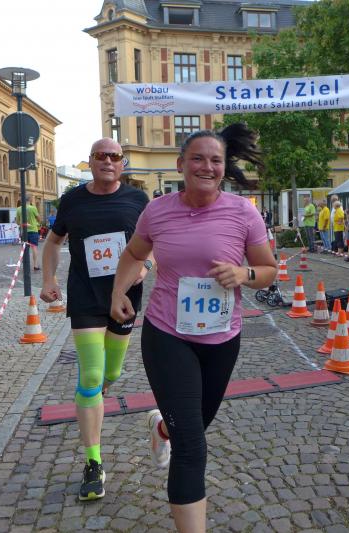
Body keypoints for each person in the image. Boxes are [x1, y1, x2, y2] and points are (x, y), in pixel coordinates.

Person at [110, 124, 277, 533]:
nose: (207, 166)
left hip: (222, 338)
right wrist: (118, 292)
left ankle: (161, 428)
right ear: (181, 164)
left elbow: (268, 271)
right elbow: (134, 254)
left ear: (224, 167)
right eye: (198, 158)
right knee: (192, 446)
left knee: (194, 425)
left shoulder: (243, 212)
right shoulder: (158, 210)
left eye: (216, 160)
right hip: (168, 335)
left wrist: (244, 273)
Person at [40, 138, 150, 501]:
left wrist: (147, 267)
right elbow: (53, 242)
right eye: (101, 155)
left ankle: (93, 396)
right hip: (86, 295)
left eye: (115, 156)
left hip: (125, 297)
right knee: (89, 376)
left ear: (123, 164)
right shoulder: (72, 200)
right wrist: (48, 279)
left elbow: (156, 242)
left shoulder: (137, 200)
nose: (108, 161)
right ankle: (93, 462)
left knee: (111, 373)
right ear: (89, 162)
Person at [16, 194, 42, 271]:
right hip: (33, 230)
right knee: (34, 247)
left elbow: (17, 222)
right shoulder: (33, 208)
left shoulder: (19, 209)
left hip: (24, 231)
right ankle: (35, 265)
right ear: (29, 200)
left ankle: (26, 265)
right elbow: (39, 219)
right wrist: (36, 222)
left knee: (24, 248)